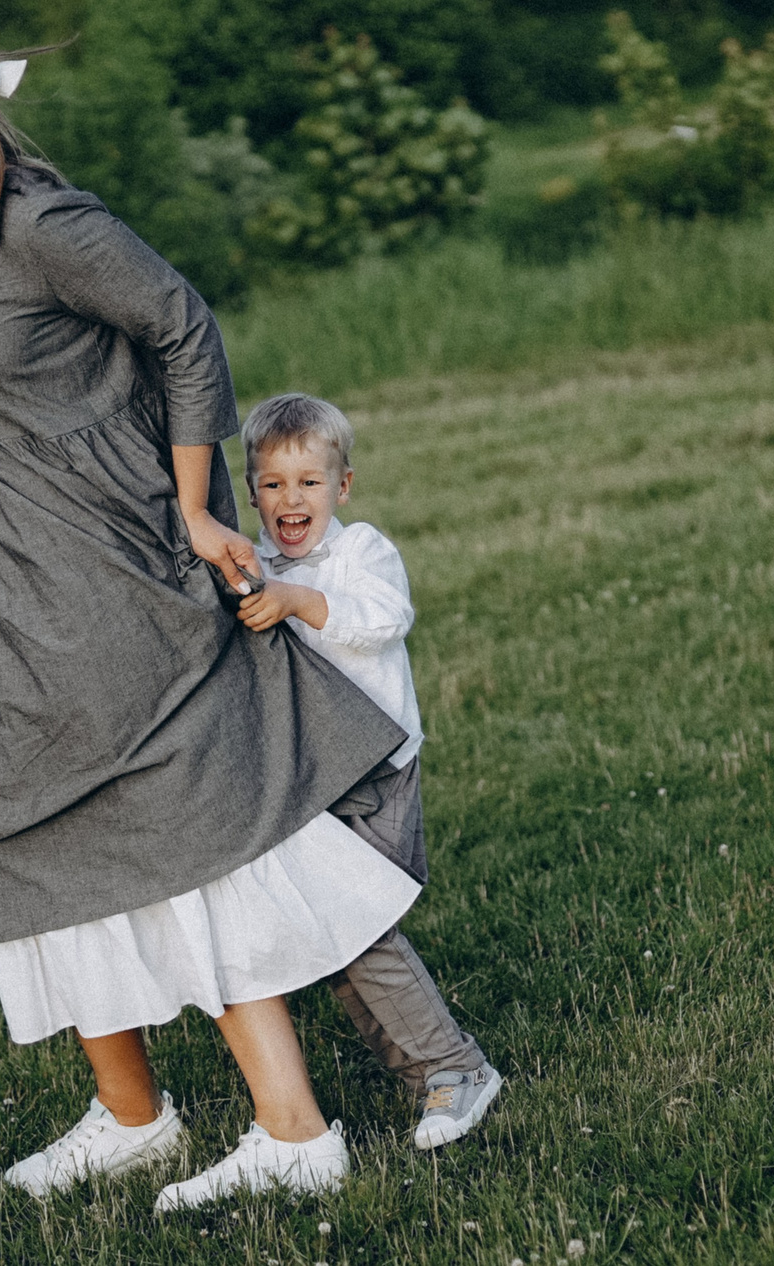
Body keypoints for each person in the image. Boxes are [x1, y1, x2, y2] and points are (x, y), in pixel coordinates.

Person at [0, 0, 417, 1211]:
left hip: (106, 573)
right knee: (36, 834)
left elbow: (184, 326)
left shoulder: (44, 222)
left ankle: (295, 1131)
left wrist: (199, 508)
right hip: (1, 591)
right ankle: (131, 1115)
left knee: (171, 827)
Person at [232, 393, 506, 1148]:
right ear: (249, 489)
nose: (292, 500)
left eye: (310, 483)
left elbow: (384, 617)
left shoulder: (361, 554)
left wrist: (297, 600)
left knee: (360, 931)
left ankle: (458, 1070)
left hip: (376, 771)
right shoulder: (248, 563)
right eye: (274, 484)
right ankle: (425, 1079)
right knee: (333, 943)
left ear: (341, 487)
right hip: (308, 780)